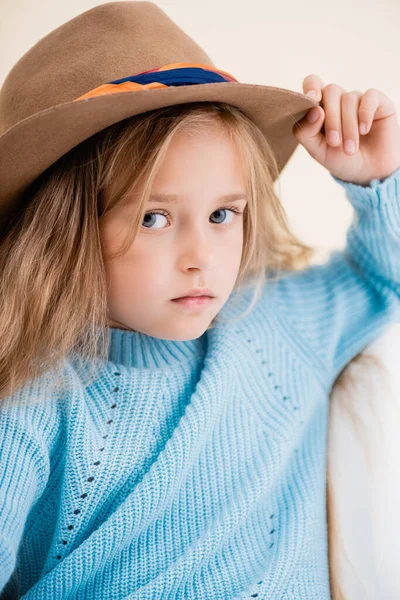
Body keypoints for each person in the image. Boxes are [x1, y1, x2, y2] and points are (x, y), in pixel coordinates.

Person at [0, 2, 399, 599]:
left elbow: (383, 280)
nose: (201, 256)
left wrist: (376, 181)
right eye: (155, 217)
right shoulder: (36, 404)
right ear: (67, 231)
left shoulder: (275, 326)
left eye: (221, 214)